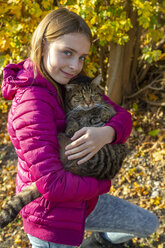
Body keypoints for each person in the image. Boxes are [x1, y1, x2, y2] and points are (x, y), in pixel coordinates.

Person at [1, 8, 159, 248]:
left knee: (148, 223)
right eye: (67, 52)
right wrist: (104, 184)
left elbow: (125, 117)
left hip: (82, 202)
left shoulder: (69, 80)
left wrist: (107, 133)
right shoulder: (32, 104)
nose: (75, 65)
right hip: (53, 221)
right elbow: (52, 185)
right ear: (44, 45)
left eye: (82, 57)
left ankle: (98, 242)